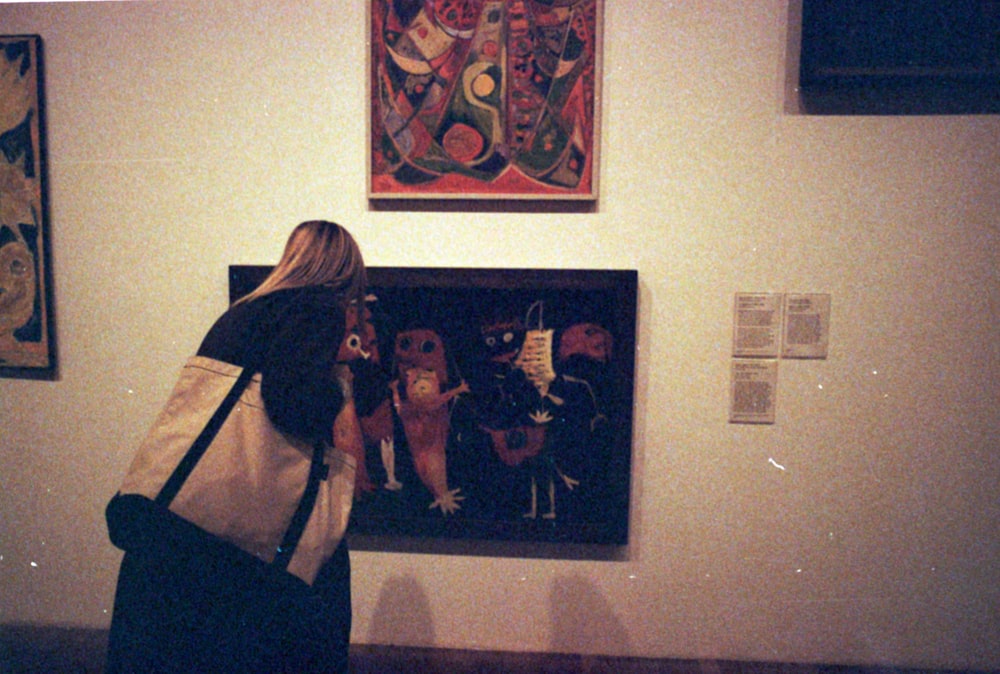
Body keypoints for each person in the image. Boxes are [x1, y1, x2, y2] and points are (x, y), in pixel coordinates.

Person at [105, 220, 368, 673]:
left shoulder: (248, 308)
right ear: (345, 272)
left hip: (183, 524)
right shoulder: (316, 309)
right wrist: (339, 384)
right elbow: (292, 403)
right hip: (232, 542)